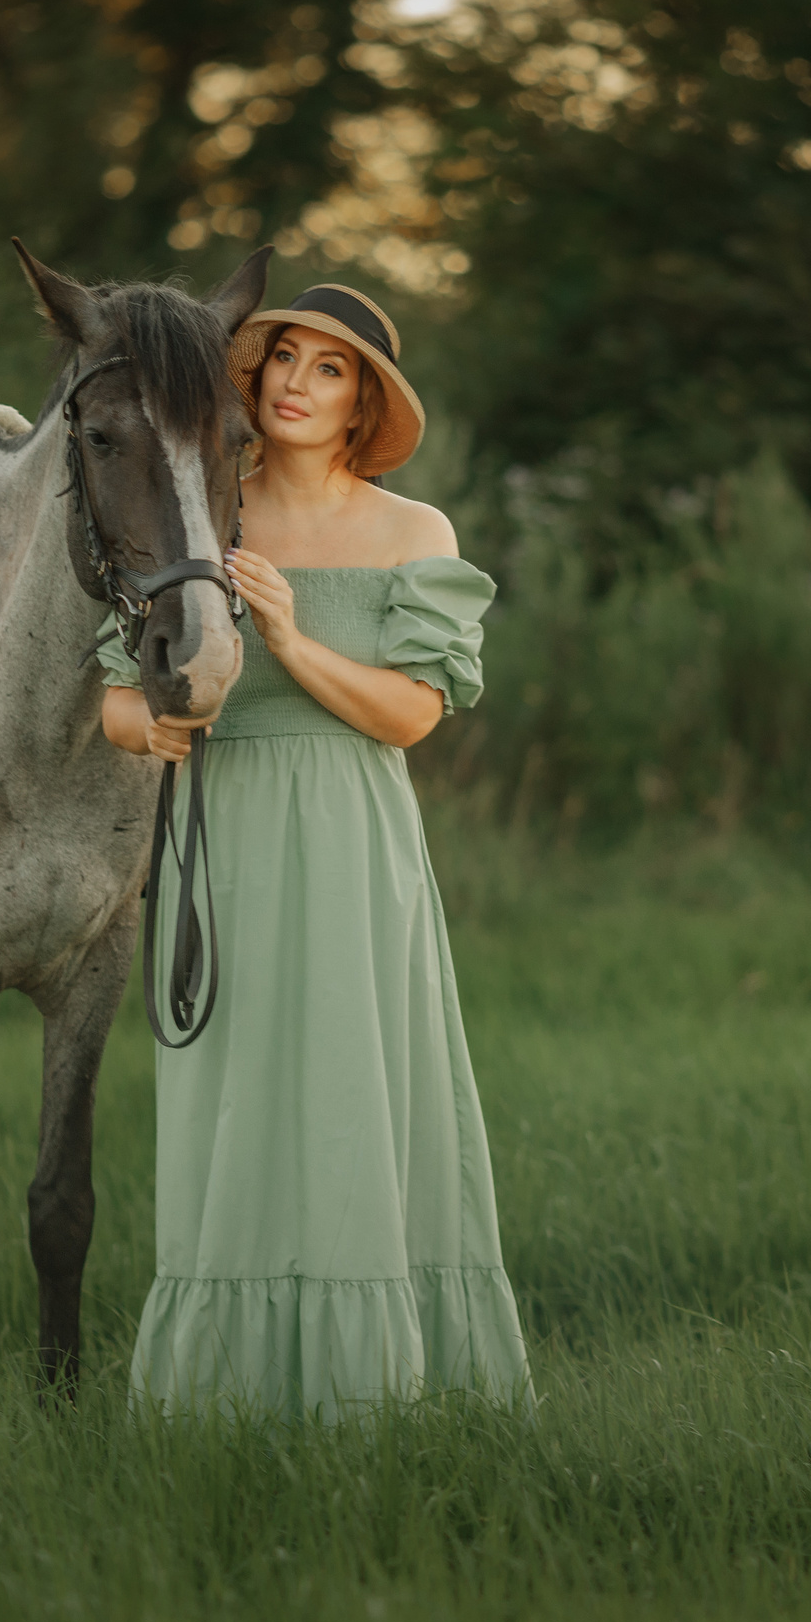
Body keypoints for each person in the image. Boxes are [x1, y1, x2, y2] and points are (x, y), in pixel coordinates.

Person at [98, 284, 533, 1420]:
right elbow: (113, 697)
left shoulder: (413, 534)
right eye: (284, 357)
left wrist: (288, 637)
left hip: (354, 844)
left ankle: (376, 1387)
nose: (295, 381)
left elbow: (411, 715)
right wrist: (155, 727)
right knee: (232, 1102)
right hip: (221, 836)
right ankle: (221, 1396)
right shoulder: (203, 513)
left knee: (354, 1096)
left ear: (363, 403)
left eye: (328, 368)